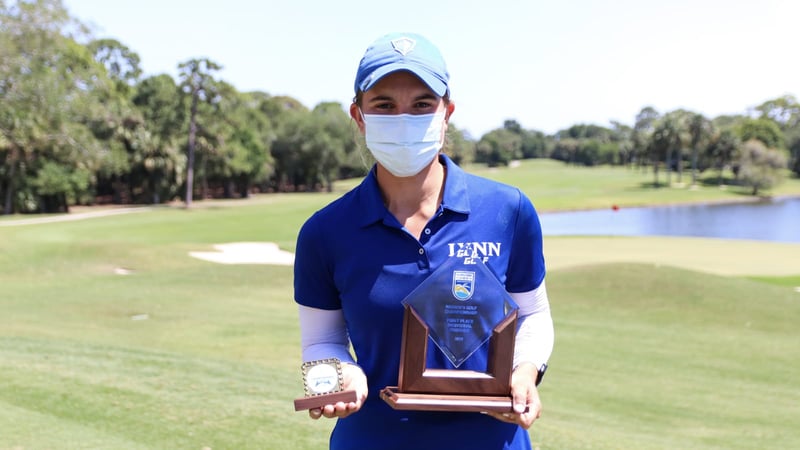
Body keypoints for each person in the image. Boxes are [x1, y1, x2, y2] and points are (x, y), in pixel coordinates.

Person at [293, 32, 554, 450]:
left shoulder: (508, 210)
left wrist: (524, 374)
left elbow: (533, 314)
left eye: (421, 104)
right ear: (358, 117)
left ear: (446, 112)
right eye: (384, 105)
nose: (404, 118)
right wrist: (342, 371)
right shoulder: (325, 231)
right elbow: (321, 340)